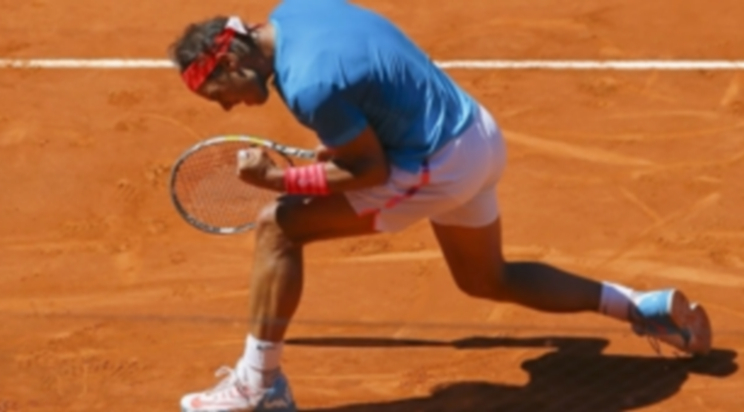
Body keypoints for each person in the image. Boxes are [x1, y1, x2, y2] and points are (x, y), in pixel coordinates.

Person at [167, 1, 712, 411]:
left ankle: (259, 386)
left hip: (438, 162)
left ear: (232, 57)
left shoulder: (309, 85)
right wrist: (341, 147)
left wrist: (281, 180)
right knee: (485, 277)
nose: (225, 107)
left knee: (279, 228)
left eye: (220, 92)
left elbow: (371, 172)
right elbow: (376, 72)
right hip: (474, 128)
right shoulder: (301, 11)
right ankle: (644, 307)